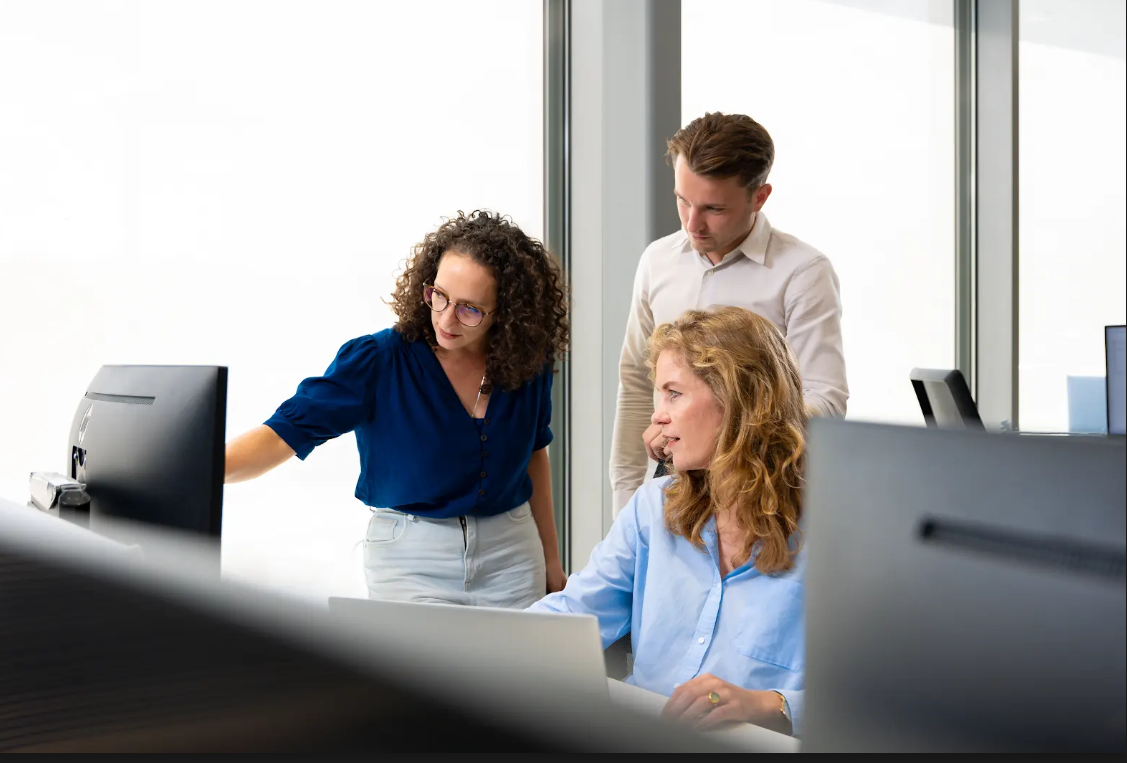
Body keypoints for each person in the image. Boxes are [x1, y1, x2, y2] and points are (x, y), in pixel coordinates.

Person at [224, 209, 570, 608]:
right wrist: (200, 467)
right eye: (438, 295)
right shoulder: (377, 359)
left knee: (517, 671)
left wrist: (551, 559)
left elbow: (533, 454)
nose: (446, 318)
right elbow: (282, 434)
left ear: (506, 312)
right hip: (411, 560)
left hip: (513, 556)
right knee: (424, 673)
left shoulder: (528, 362)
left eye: (470, 309)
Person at [528, 305, 809, 737]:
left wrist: (766, 704)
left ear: (738, 399)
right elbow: (575, 613)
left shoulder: (833, 536)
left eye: (673, 394)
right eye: (659, 395)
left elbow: (880, 694)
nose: (657, 416)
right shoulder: (653, 508)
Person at [610, 111, 848, 516]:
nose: (692, 223)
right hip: (667, 489)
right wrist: (624, 503)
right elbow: (635, 380)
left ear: (760, 196)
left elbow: (824, 400)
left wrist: (721, 431)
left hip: (760, 495)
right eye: (682, 200)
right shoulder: (657, 261)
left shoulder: (802, 272)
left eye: (713, 208)